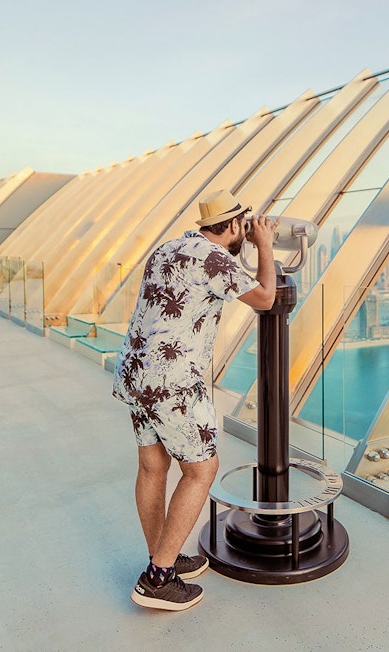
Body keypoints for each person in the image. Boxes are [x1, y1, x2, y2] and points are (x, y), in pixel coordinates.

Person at [112, 189, 278, 611]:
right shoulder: (213, 257)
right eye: (245, 224)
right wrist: (266, 246)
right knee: (202, 470)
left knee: (153, 466)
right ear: (235, 225)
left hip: (136, 373)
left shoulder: (170, 246)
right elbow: (265, 298)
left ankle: (161, 559)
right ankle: (158, 579)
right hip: (172, 380)